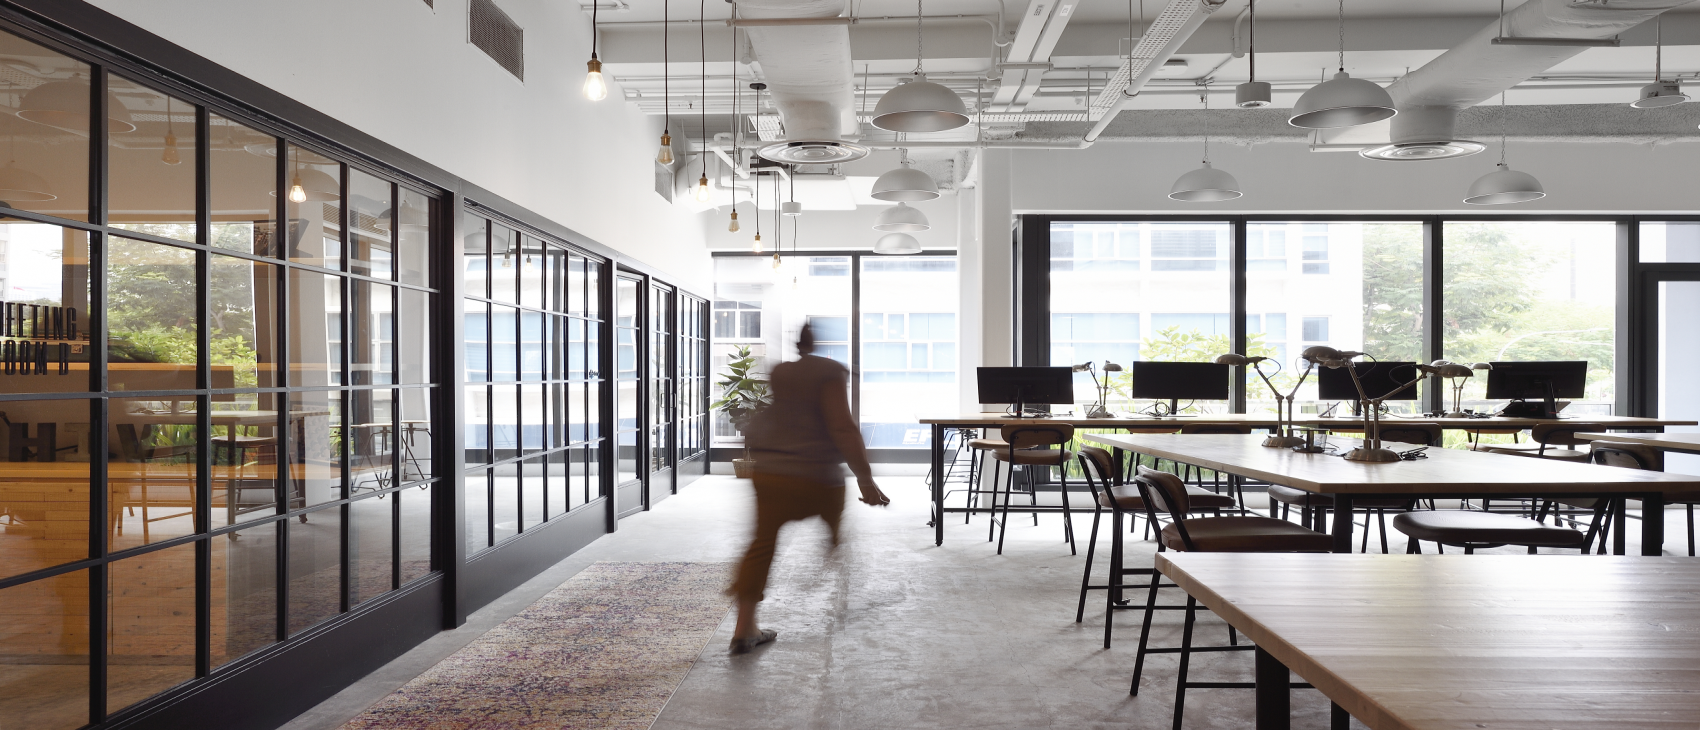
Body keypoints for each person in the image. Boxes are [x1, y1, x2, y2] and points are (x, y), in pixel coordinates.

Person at [728, 323, 888, 654]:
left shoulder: (781, 372)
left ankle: (744, 628)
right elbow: (842, 427)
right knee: (833, 496)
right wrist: (865, 478)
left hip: (769, 470)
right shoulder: (830, 372)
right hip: (813, 472)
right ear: (815, 343)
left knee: (761, 542)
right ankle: (832, 541)